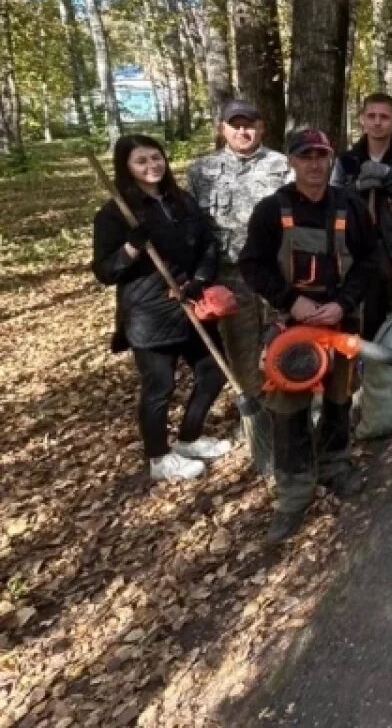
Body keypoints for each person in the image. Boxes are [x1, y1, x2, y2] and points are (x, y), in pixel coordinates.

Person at [238, 128, 376, 544]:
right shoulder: (270, 210)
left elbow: (370, 261)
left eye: (321, 155)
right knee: (288, 409)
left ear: (330, 159)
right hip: (291, 327)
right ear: (292, 162)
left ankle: (335, 465)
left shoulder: (350, 206)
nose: (315, 163)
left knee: (340, 398)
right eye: (305, 156)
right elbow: (252, 265)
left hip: (340, 322)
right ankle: (294, 493)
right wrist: (290, 300)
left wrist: (345, 304)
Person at [93, 135, 231, 481]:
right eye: (141, 161)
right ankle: (159, 457)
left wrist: (200, 278)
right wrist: (129, 249)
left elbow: (207, 244)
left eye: (156, 158)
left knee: (214, 372)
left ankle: (189, 437)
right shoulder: (116, 213)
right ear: (126, 167)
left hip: (189, 302)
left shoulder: (181, 200)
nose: (152, 166)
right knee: (160, 387)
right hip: (148, 313)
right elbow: (105, 271)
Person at [188, 99, 292, 474]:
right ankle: (255, 417)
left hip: (276, 271)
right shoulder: (202, 170)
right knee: (242, 348)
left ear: (261, 128)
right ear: (222, 128)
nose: (242, 131)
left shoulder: (282, 165)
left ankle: (288, 407)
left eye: (249, 125)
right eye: (235, 125)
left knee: (281, 340)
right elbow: (196, 229)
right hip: (231, 275)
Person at [331, 92, 392, 340]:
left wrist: (391, 178)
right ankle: (364, 375)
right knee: (364, 322)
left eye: (384, 117)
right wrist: (355, 188)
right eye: (371, 116)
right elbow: (332, 204)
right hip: (358, 252)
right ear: (362, 119)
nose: (377, 122)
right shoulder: (347, 161)